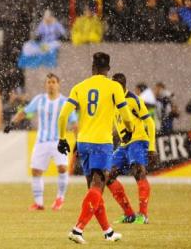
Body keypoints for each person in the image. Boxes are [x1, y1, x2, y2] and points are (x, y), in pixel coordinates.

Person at [57, 52, 134, 244]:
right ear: (108, 69)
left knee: (94, 189)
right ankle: (78, 229)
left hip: (83, 143)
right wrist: (129, 130)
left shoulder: (79, 87)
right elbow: (125, 115)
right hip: (102, 143)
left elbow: (62, 116)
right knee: (98, 187)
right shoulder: (114, 86)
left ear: (92, 68)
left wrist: (62, 139)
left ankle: (108, 232)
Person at [5, 73, 78, 211]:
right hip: (42, 141)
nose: (51, 84)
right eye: (48, 82)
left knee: (62, 168)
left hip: (59, 141)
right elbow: (24, 112)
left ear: (58, 84)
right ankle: (39, 203)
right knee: (36, 171)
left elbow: (74, 122)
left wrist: (78, 139)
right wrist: (12, 124)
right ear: (45, 84)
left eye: (53, 82)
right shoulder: (39, 100)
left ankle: (59, 199)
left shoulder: (65, 102)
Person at [106, 73, 157, 225]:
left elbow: (150, 122)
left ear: (122, 85)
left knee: (138, 172)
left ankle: (143, 215)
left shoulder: (133, 100)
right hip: (123, 145)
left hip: (138, 141)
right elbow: (117, 127)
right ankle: (129, 214)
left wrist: (152, 147)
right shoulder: (115, 102)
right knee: (107, 175)